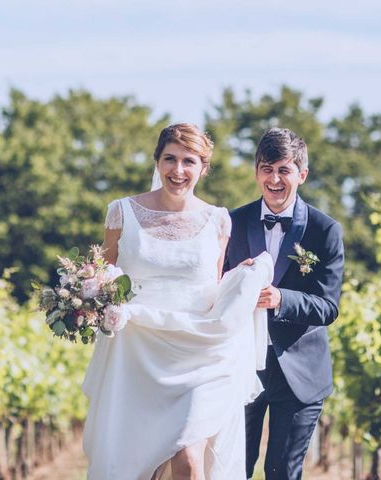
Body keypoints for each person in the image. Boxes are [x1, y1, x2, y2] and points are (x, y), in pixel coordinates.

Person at [82, 123, 273, 479]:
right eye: (169, 159)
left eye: (189, 161)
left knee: (188, 457)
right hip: (137, 352)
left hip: (199, 353)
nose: (178, 170)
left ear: (204, 168)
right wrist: (84, 295)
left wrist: (242, 283)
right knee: (143, 462)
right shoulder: (121, 212)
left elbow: (212, 286)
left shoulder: (218, 220)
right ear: (156, 162)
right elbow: (105, 276)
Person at [224, 127, 344, 480]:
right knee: (232, 469)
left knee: (281, 472)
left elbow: (328, 306)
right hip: (240, 364)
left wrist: (281, 299)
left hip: (299, 373)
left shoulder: (325, 230)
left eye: (284, 170)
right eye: (266, 168)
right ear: (256, 171)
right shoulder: (231, 222)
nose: (274, 179)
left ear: (302, 175)